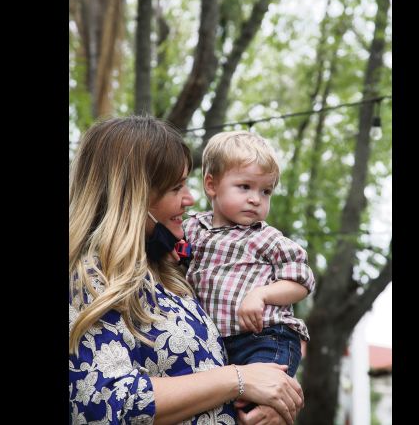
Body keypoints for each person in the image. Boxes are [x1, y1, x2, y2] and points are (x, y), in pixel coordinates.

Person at [69, 116, 304, 425]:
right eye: (176, 187)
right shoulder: (91, 278)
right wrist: (239, 379)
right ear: (133, 196)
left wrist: (272, 397)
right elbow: (101, 404)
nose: (190, 199)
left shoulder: (170, 274)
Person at [182, 131, 315, 408]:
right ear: (211, 185)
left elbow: (301, 280)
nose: (256, 199)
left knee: (260, 403)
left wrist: (261, 295)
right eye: (244, 187)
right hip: (219, 341)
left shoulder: (265, 237)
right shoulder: (192, 227)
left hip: (265, 338)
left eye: (265, 191)